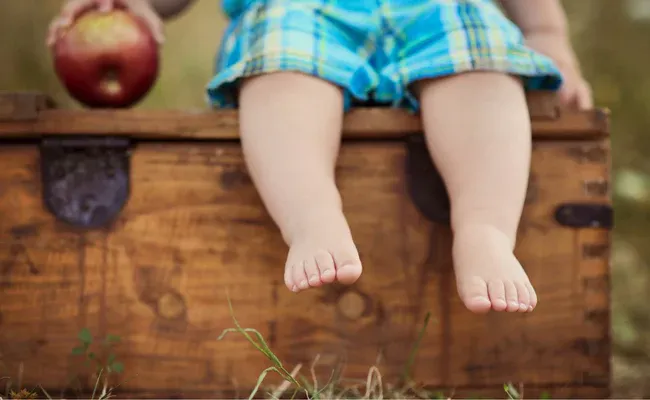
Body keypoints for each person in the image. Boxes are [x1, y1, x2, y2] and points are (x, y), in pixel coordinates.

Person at [48, 0, 593, 314]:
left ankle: (486, 229)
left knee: (479, 62)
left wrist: (547, 31)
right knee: (283, 67)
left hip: (436, 6)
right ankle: (311, 216)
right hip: (299, 6)